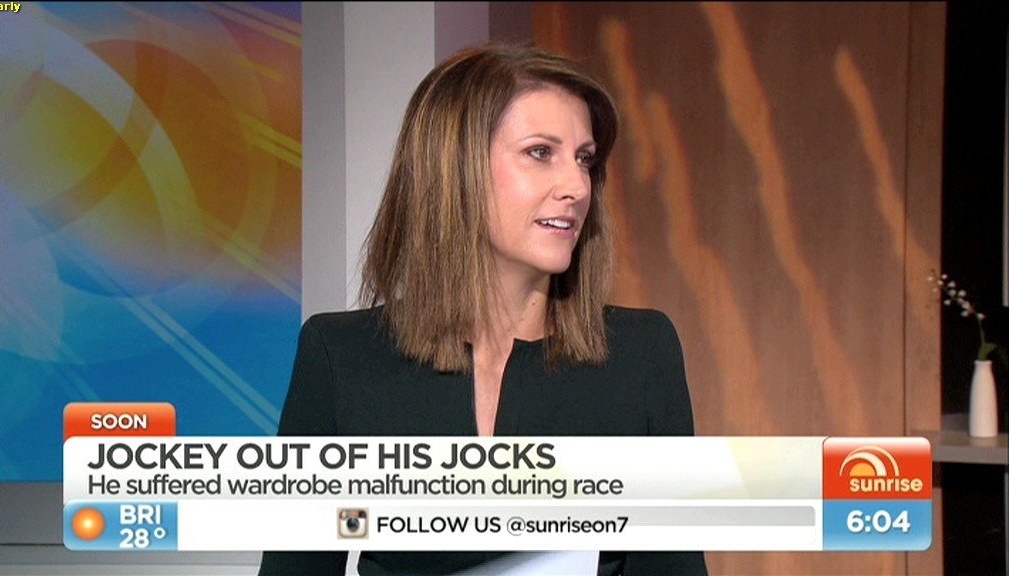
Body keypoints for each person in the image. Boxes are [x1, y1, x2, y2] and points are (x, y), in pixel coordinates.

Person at [258, 43, 707, 576]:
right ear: (457, 168)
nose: (577, 186)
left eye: (584, 159)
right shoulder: (342, 357)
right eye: (541, 152)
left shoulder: (640, 354)